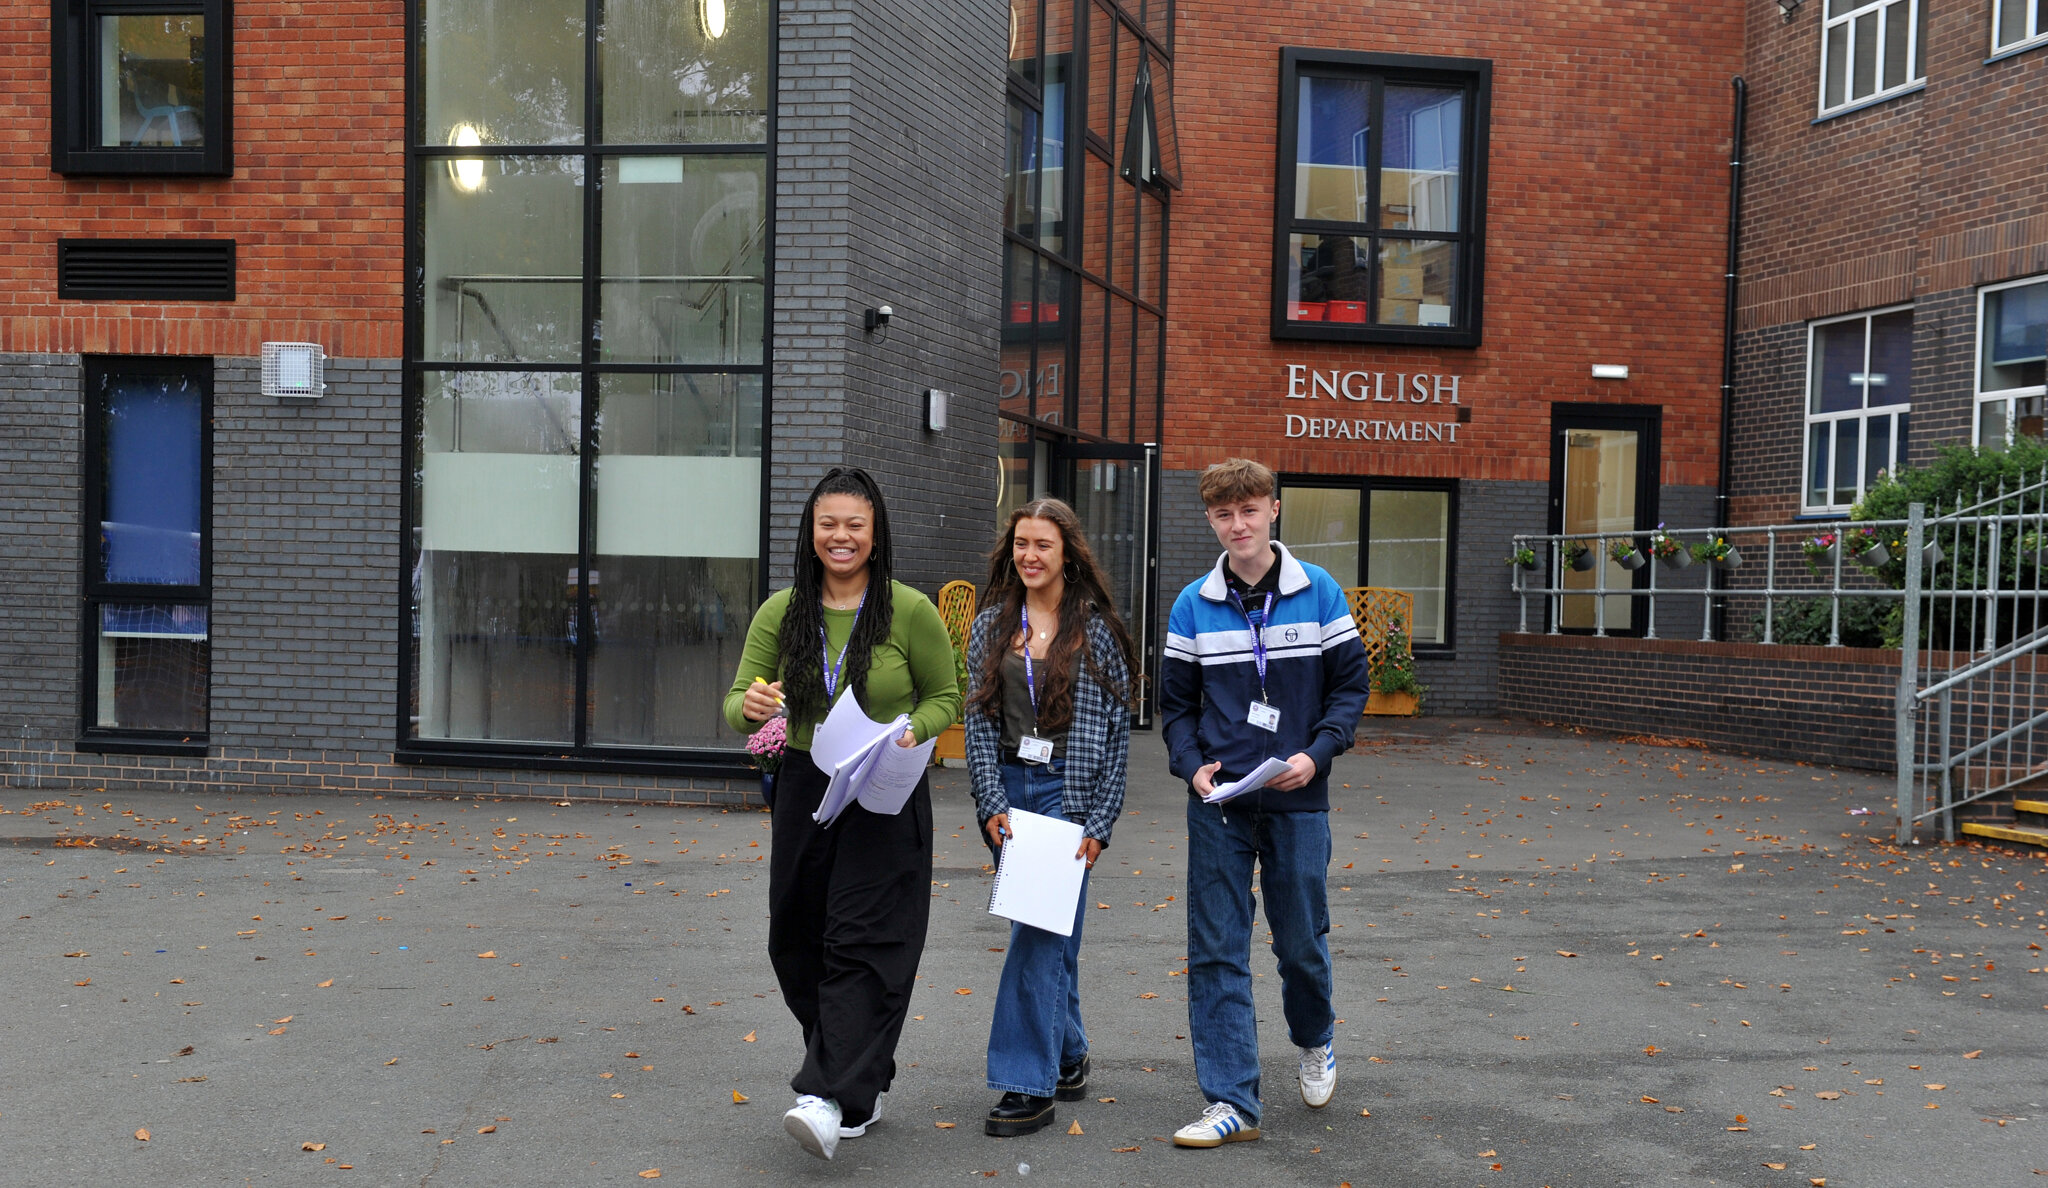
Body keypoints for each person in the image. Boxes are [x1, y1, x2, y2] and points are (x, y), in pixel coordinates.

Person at [723, 467, 963, 1162]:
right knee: (794, 938)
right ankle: (862, 1073)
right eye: (829, 524)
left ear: (876, 534)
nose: (841, 537)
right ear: (811, 532)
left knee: (862, 940)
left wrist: (915, 728)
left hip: (883, 786)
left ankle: (824, 1096)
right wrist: (754, 707)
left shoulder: (909, 610)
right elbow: (738, 699)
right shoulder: (782, 612)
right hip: (805, 785)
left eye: (855, 525)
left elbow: (947, 696)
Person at [1158, 458, 1371, 1148]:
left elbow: (1349, 689)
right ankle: (1231, 1101)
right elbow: (1174, 707)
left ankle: (1314, 1037)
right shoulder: (1193, 603)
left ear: (1273, 510)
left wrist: (1316, 753)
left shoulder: (1320, 593)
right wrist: (1192, 769)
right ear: (1211, 521)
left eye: (1249, 510)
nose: (1238, 525)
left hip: (1299, 797)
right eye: (1224, 514)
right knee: (1216, 947)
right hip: (1220, 804)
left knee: (1300, 941)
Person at [963, 498, 1136, 1138]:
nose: (1029, 556)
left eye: (1043, 545)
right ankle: (1069, 1055)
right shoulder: (989, 627)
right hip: (1010, 793)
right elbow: (978, 722)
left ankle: (1025, 1085)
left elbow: (1118, 734)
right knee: (1049, 932)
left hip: (1070, 793)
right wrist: (989, 801)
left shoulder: (1096, 629)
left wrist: (1100, 821)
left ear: (1068, 554)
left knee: (1035, 934)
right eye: (1021, 544)